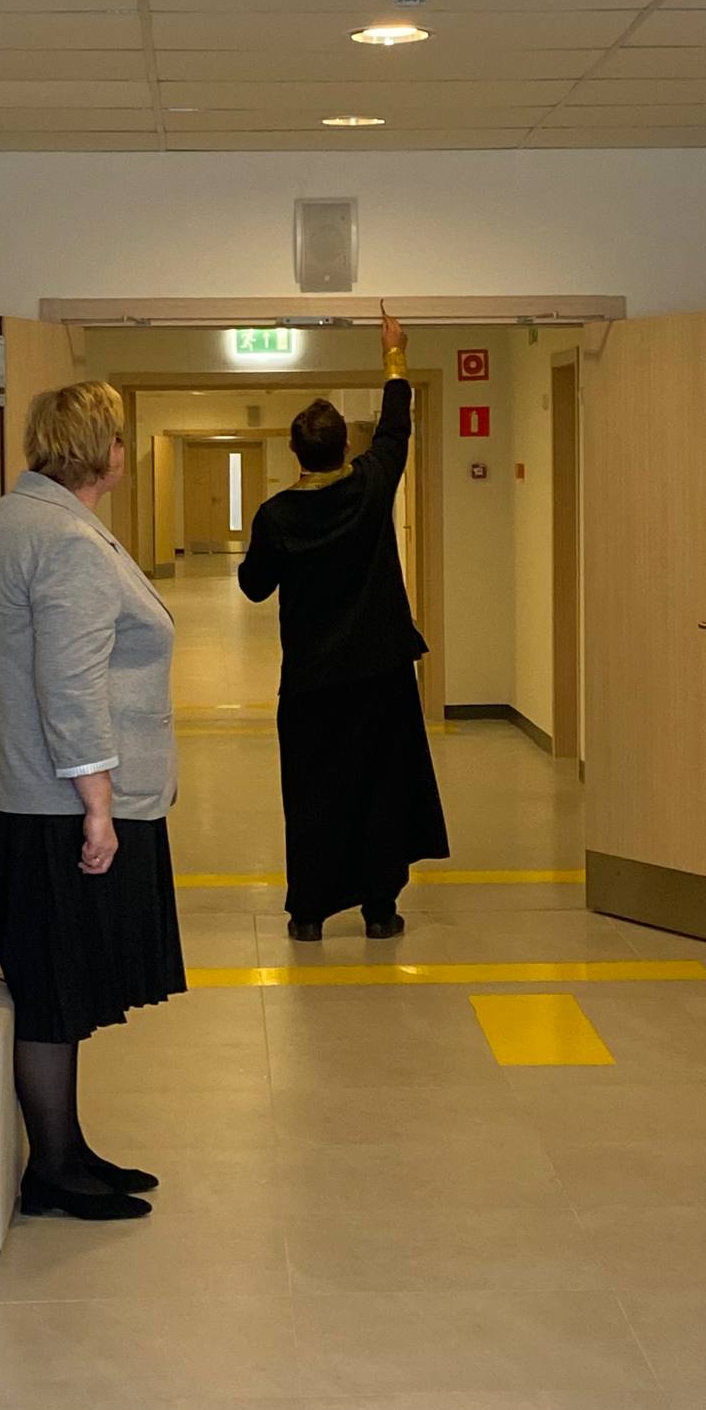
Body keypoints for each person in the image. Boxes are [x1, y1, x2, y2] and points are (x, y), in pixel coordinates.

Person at [0, 379, 185, 1223]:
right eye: (120, 437)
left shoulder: (17, 519)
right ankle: (53, 1168)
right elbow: (71, 681)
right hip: (64, 800)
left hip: (32, 790)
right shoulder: (64, 539)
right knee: (56, 989)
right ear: (103, 449)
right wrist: (98, 802)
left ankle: (67, 1148)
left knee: (58, 983)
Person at [238, 308, 449, 942]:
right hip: (381, 674)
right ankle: (379, 910)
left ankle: (308, 912)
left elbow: (254, 586)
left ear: (294, 451)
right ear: (345, 448)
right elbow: (396, 429)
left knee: (313, 791)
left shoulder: (277, 515)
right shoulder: (371, 486)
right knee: (380, 786)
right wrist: (394, 355)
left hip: (312, 682)